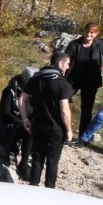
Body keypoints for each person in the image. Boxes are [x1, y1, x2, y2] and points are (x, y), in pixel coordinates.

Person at [19, 51, 74, 189]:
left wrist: (25, 119)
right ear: (60, 63)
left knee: (37, 159)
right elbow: (64, 110)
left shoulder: (35, 79)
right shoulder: (63, 84)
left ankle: (33, 187)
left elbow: (21, 99)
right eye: (67, 64)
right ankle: (49, 190)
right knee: (52, 162)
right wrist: (69, 130)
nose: (68, 67)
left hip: (37, 126)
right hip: (56, 130)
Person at [65, 23, 103, 138]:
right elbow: (66, 58)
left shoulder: (100, 45)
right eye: (87, 32)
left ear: (96, 34)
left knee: (87, 109)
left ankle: (82, 137)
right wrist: (64, 67)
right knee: (63, 101)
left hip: (90, 81)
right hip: (73, 79)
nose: (88, 34)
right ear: (83, 31)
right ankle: (64, 131)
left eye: (91, 32)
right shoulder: (74, 44)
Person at [0, 67, 36, 177]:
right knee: (11, 136)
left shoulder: (34, 94)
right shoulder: (10, 91)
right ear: (26, 80)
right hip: (6, 124)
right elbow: (4, 113)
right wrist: (22, 123)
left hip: (24, 125)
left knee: (31, 132)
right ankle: (12, 156)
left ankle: (24, 163)